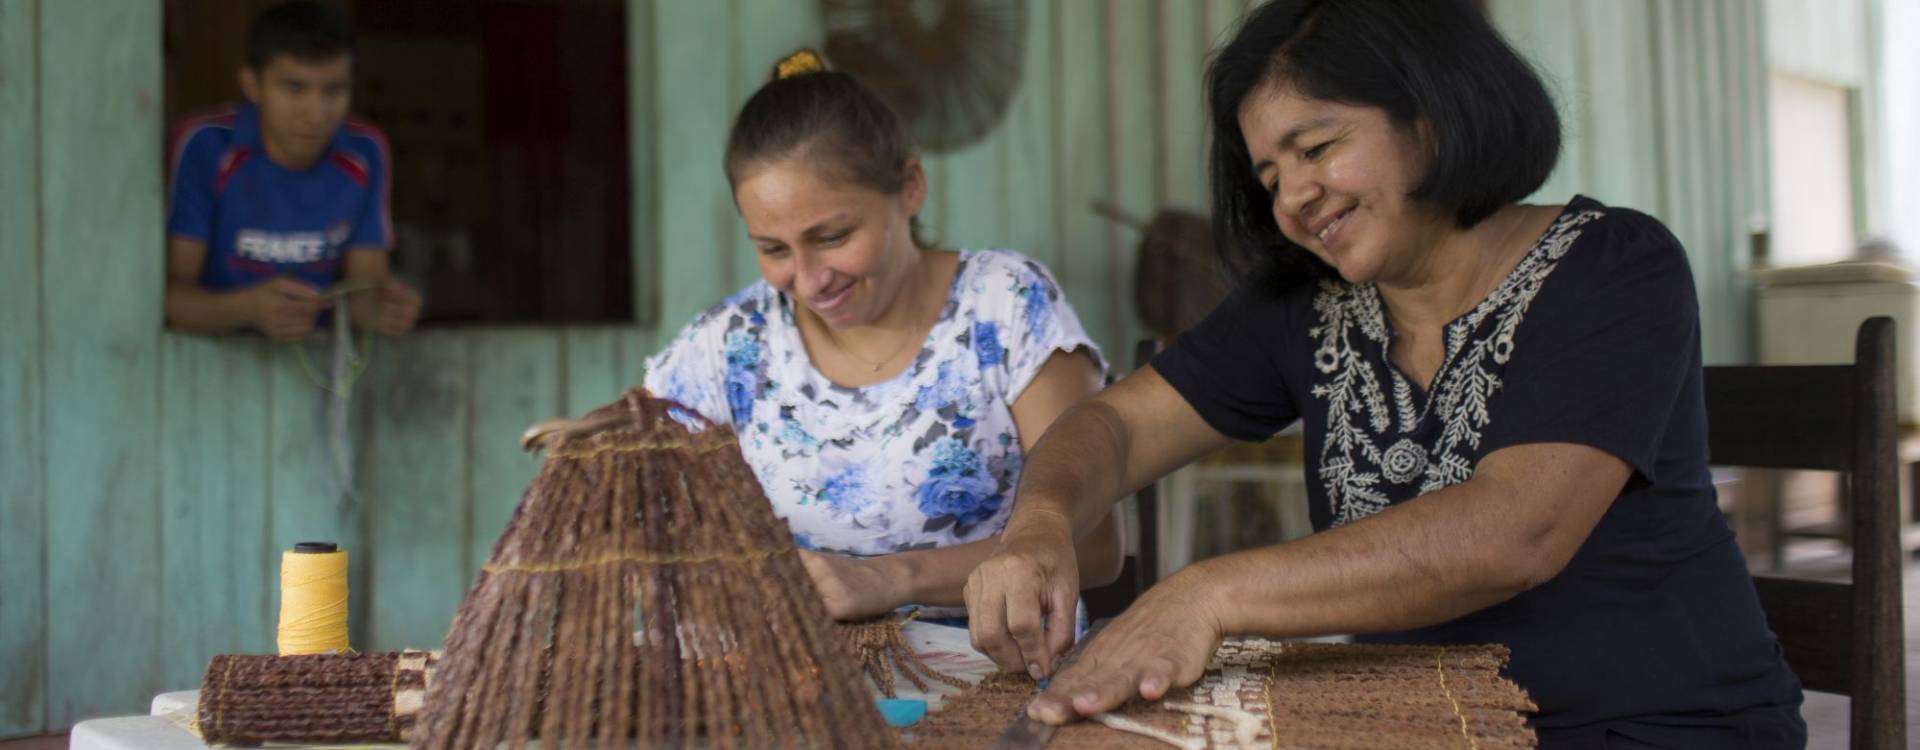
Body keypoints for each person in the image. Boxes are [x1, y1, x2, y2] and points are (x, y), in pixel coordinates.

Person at [962, 1, 1806, 746]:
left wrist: (1204, 596)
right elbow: (1117, 424)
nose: (1294, 197)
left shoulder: (1613, 266)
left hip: (1654, 724)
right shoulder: (1304, 304)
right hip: (1420, 723)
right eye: (1270, 178)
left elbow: (1517, 533)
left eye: (1316, 147)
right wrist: (1040, 523)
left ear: (1431, 113)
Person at [638, 50, 1124, 624]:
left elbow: (1096, 549)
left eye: (833, 237)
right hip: (796, 671)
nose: (809, 280)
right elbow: (641, 509)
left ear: (910, 187)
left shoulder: (1005, 305)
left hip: (999, 665)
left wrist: (889, 579)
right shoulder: (731, 345)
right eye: (773, 249)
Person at [164, 0, 421, 341]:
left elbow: (365, 291)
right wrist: (246, 308)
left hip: (315, 362)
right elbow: (169, 298)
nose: (316, 114)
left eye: (334, 90)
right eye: (295, 88)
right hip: (201, 360)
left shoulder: (365, 152)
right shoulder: (204, 147)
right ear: (251, 84)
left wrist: (384, 309)